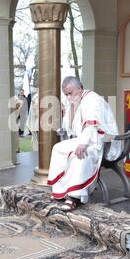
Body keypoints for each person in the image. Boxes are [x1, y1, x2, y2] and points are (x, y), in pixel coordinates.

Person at [47, 76, 121, 211]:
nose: (68, 97)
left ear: (79, 88)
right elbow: (70, 126)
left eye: (70, 93)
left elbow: (91, 124)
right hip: (85, 139)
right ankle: (60, 191)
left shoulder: (92, 99)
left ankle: (74, 197)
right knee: (57, 148)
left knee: (80, 154)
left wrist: (83, 143)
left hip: (100, 142)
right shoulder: (77, 100)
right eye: (66, 94)